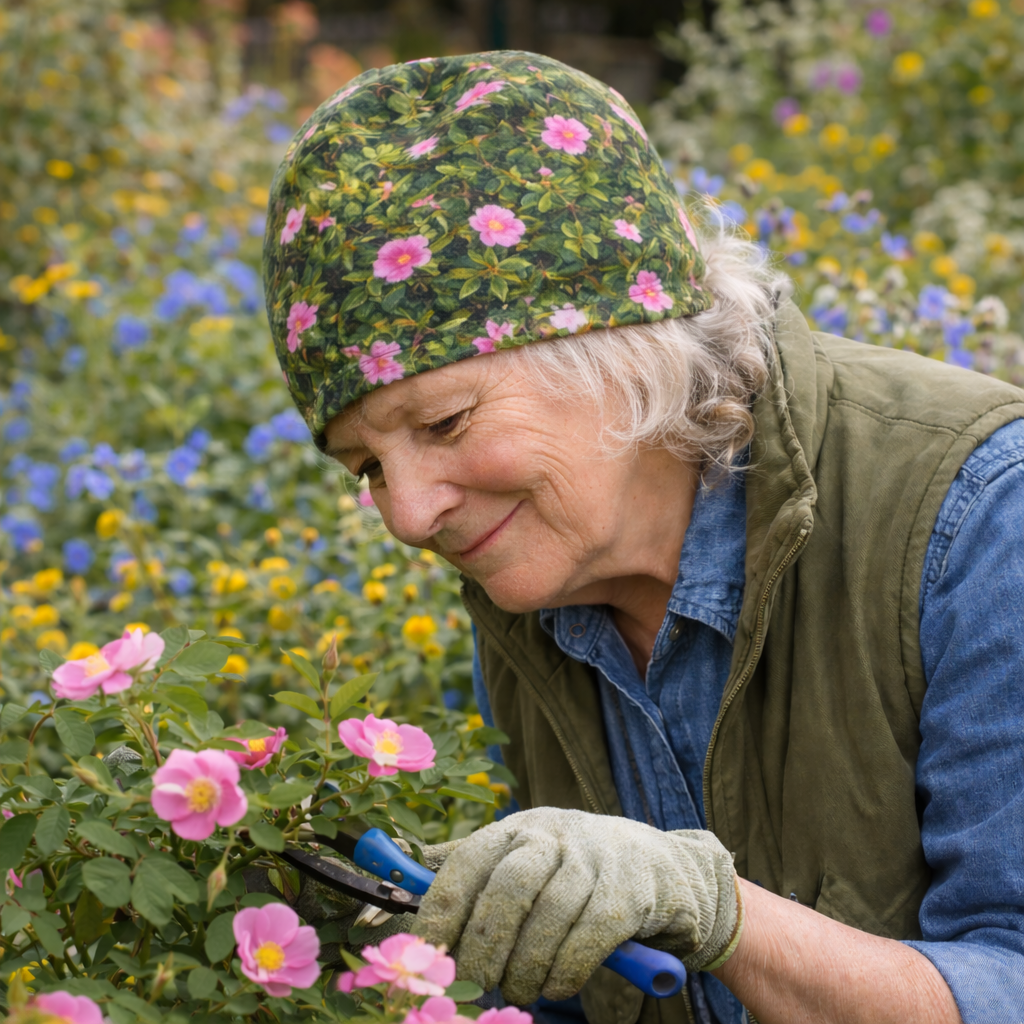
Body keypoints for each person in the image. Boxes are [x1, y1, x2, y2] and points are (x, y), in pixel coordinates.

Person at [262, 51, 1024, 1024]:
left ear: (620, 347)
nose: (408, 516)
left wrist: (721, 913)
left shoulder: (977, 511)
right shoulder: (533, 573)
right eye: (365, 467)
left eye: (445, 423)